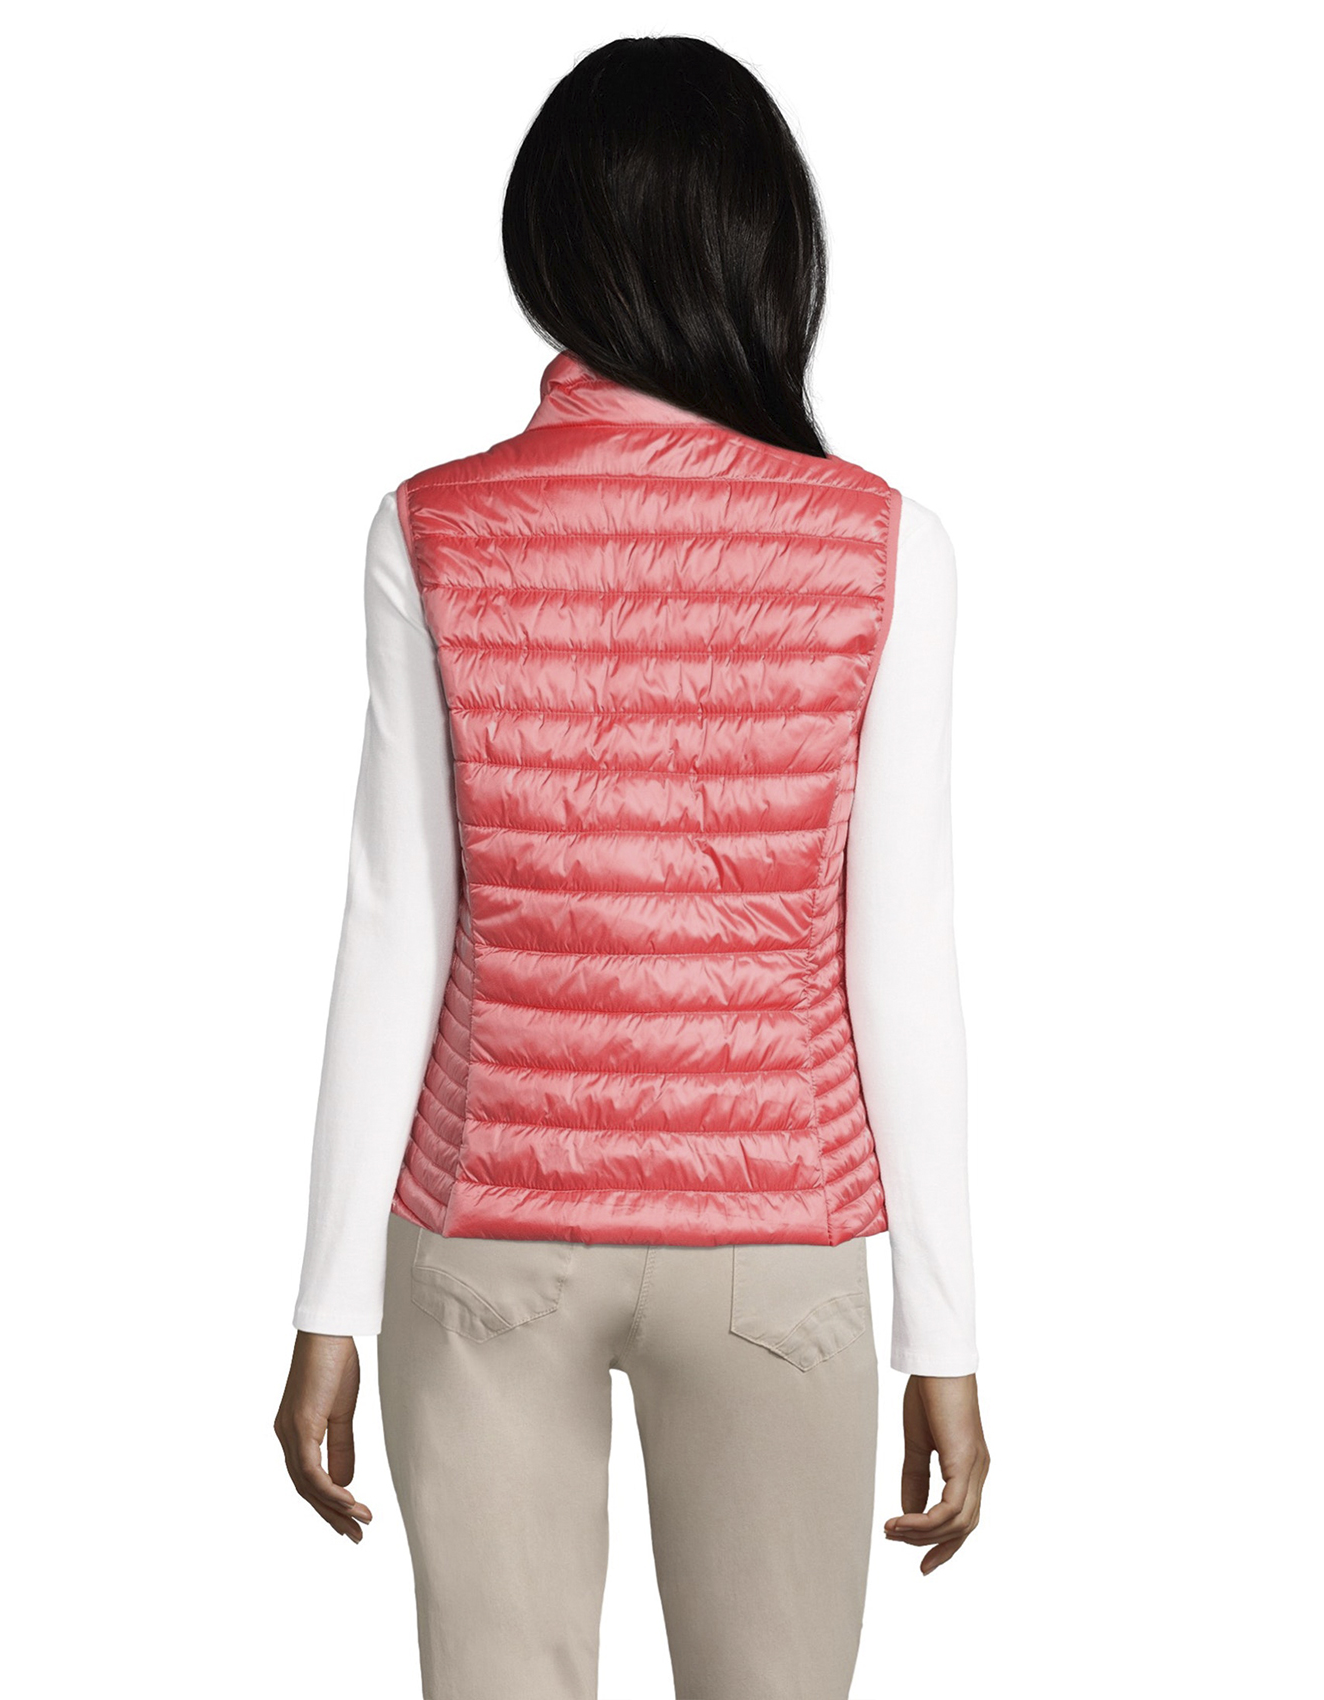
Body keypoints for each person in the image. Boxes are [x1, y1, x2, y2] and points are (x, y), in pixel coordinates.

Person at [275, 35, 988, 1700]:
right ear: (768, 245)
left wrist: (327, 1298)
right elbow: (898, 952)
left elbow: (398, 921)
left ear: (549, 244)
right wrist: (942, 1334)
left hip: (486, 1230)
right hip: (776, 1239)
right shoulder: (884, 544)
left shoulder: (430, 528)